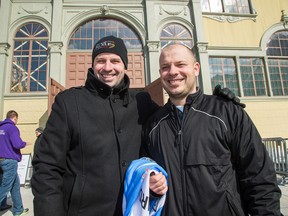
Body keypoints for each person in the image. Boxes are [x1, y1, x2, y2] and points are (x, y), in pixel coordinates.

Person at [31, 35, 168, 216]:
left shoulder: (141, 102)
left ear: (124, 65)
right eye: (100, 60)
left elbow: (171, 124)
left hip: (131, 210)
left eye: (115, 61)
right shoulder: (69, 102)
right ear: (93, 64)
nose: (107, 67)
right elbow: (47, 168)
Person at [143, 44, 282, 215]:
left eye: (180, 64)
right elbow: (144, 177)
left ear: (196, 69)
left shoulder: (227, 112)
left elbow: (259, 177)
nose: (172, 72)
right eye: (165, 67)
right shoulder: (152, 125)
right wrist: (150, 185)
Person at [0, 110, 29, 216]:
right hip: (9, 161)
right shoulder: (12, 128)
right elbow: (17, 144)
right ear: (15, 118)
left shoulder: (1, 127)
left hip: (1, 161)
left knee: (14, 186)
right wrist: (25, 143)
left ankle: (18, 210)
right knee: (5, 186)